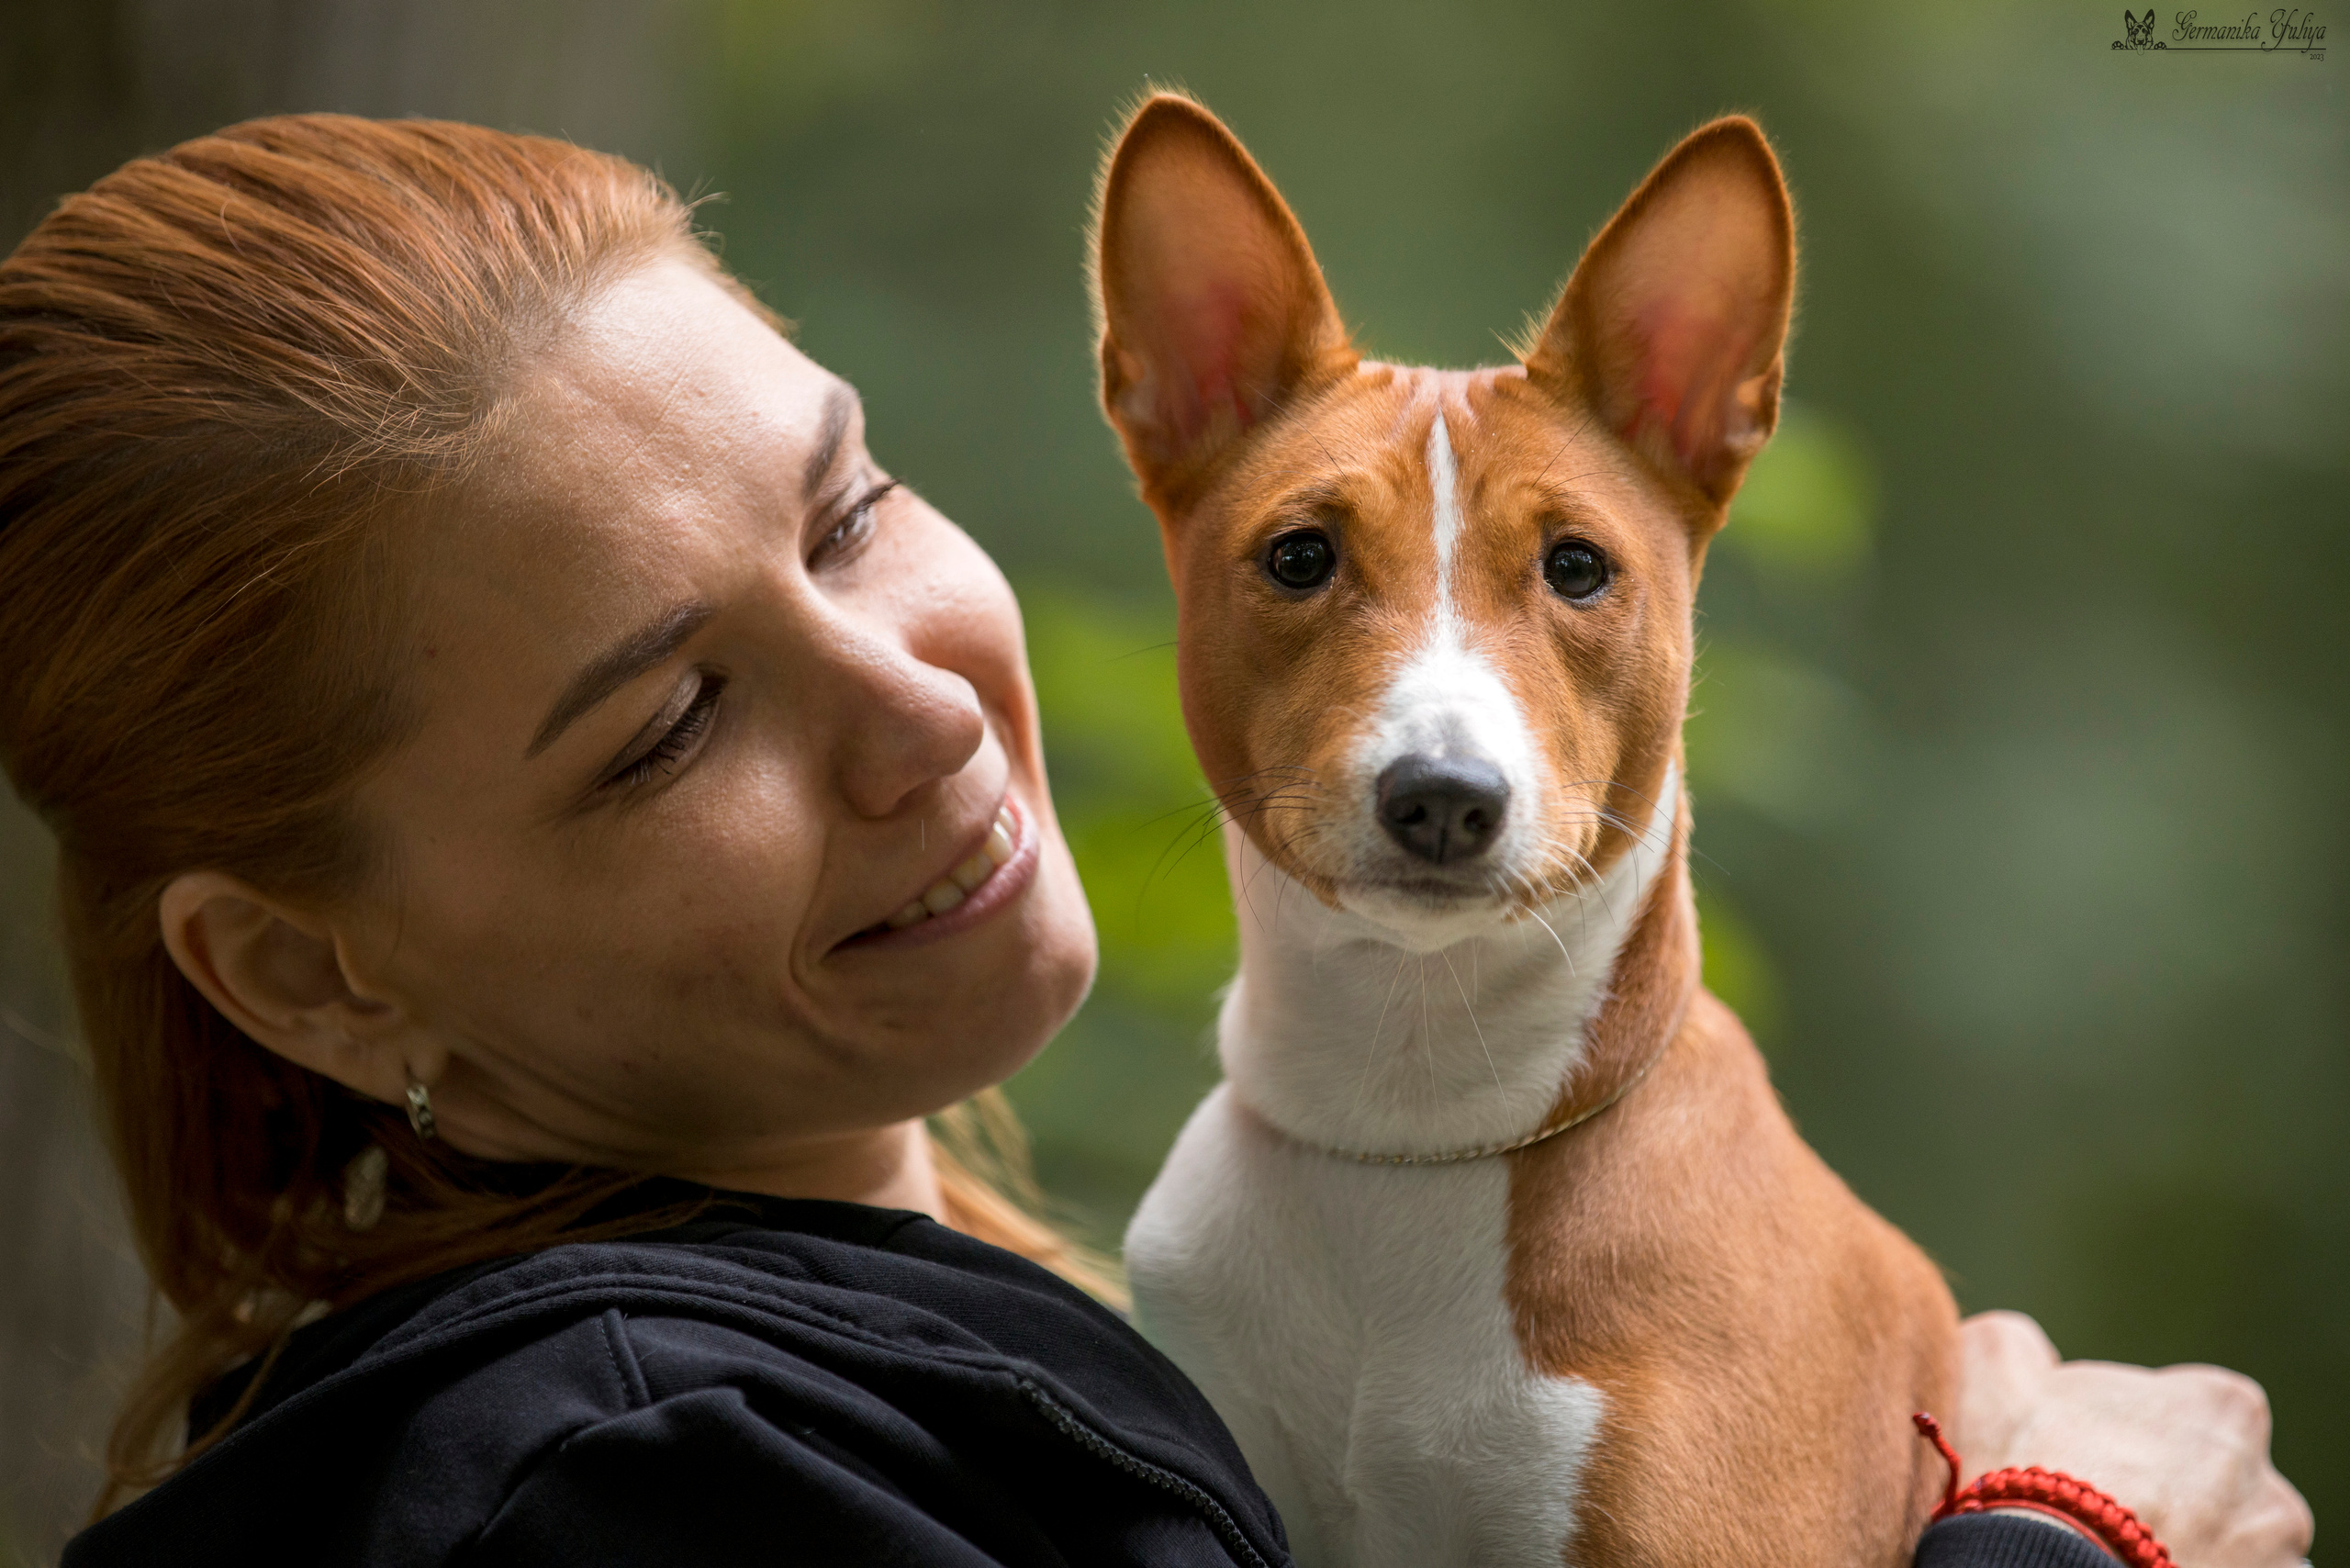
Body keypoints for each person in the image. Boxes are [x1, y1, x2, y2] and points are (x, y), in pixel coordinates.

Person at [0, 118, 2310, 1568]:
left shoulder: (1054, 1325)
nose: (920, 707)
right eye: (672, 720)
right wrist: (2058, 1541)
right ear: (310, 972)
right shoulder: (634, 1483)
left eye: (848, 509)